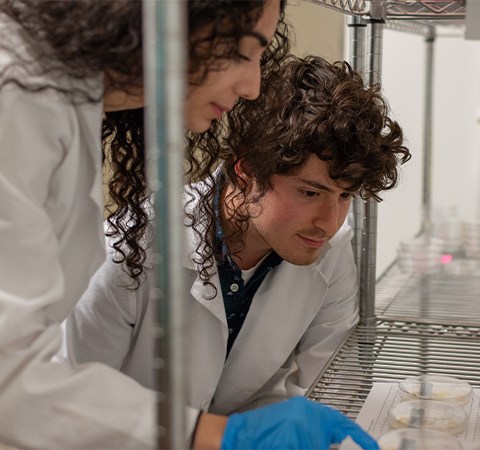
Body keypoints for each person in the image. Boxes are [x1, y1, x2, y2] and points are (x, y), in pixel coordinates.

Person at [0, 1, 378, 448]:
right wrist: (218, 436)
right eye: (242, 49)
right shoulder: (20, 99)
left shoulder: (66, 106)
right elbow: (18, 383)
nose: (253, 86)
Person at [57, 56, 411, 422]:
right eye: (310, 193)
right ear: (245, 171)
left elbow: (332, 398)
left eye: (344, 196)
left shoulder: (329, 253)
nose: (329, 222)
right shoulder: (127, 250)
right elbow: (70, 409)